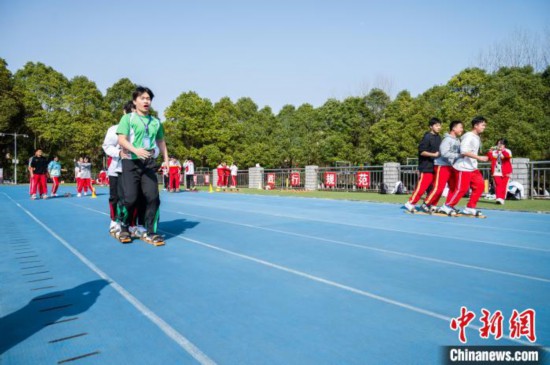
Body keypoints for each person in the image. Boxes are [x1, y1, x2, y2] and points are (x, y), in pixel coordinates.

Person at [117, 86, 169, 245]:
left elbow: (160, 141)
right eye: (143, 98)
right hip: (131, 162)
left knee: (153, 197)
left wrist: (166, 159)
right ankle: (124, 226)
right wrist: (135, 150)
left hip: (149, 163)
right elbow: (121, 139)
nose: (146, 101)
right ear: (135, 101)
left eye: (148, 99)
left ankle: (151, 231)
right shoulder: (128, 119)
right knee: (130, 198)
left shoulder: (155, 122)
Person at [439, 116, 489, 216]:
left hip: (472, 167)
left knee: (480, 186)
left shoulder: (476, 137)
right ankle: (447, 206)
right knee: (462, 189)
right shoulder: (468, 136)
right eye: (482, 125)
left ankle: (470, 207)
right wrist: (479, 158)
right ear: (475, 125)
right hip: (463, 167)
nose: (484, 127)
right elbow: (464, 151)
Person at [422, 121, 463, 211]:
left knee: (453, 187)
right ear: (453, 128)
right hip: (442, 165)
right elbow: (444, 153)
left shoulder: (458, 140)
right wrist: (459, 156)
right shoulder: (447, 139)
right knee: (439, 187)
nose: (462, 129)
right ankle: (426, 203)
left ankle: (448, 205)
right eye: (460, 127)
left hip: (451, 166)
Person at [404, 118, 442, 213]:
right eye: (436, 125)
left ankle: (429, 204)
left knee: (433, 188)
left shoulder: (439, 137)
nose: (439, 127)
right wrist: (434, 155)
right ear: (431, 126)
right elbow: (422, 152)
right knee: (422, 187)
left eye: (440, 125)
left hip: (436, 166)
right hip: (426, 166)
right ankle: (410, 203)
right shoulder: (427, 137)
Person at [487, 138, 513, 205]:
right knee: (498, 185)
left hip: (506, 171)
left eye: (501, 143)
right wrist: (490, 151)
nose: (499, 145)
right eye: (498, 143)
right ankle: (498, 198)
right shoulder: (494, 151)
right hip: (496, 171)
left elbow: (508, 157)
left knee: (504, 185)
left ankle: (502, 198)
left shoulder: (508, 151)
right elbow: (489, 158)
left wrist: (502, 151)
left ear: (504, 145)